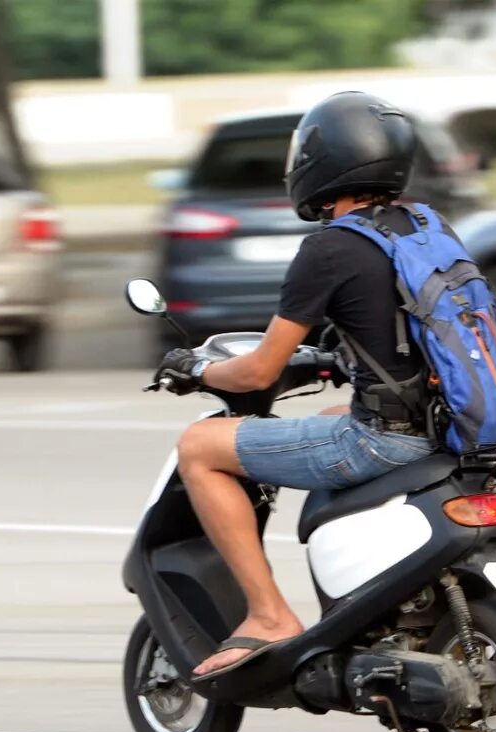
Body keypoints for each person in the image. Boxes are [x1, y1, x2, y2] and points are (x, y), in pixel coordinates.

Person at [155, 91, 463, 680]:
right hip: (453, 427)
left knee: (200, 447)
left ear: (322, 162)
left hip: (387, 440)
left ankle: (269, 615)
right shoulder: (425, 227)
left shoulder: (330, 246)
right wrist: (338, 360)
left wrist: (195, 369)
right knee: (327, 421)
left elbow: (257, 372)